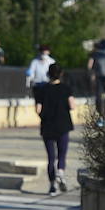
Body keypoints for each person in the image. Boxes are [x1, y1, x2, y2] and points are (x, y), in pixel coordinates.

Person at [35, 62, 75, 195]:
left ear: (48, 74)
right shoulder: (66, 88)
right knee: (62, 154)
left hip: (47, 126)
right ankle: (61, 173)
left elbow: (38, 109)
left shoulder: (42, 89)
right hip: (63, 124)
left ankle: (52, 185)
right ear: (61, 74)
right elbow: (72, 105)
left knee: (51, 157)